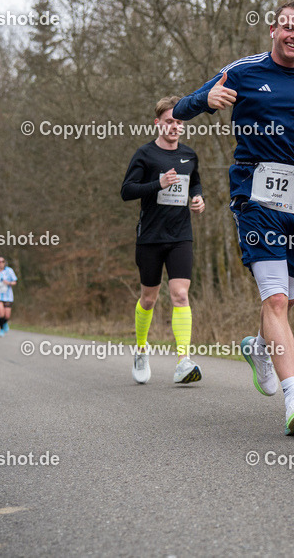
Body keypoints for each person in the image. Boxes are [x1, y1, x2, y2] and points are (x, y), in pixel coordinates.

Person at [173, 0, 294, 435]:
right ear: (273, 29)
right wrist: (207, 98)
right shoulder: (242, 71)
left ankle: (259, 347)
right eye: (288, 27)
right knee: (275, 299)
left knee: (288, 300)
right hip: (253, 191)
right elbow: (182, 108)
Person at [121, 96, 205, 385]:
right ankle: (141, 349)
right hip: (151, 237)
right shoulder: (144, 155)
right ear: (158, 123)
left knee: (180, 294)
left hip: (181, 235)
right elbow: (127, 191)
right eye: (169, 121)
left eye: (179, 122)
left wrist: (198, 198)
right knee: (149, 298)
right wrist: (158, 183)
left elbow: (195, 181)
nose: (174, 126)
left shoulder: (190, 155)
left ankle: (184, 360)